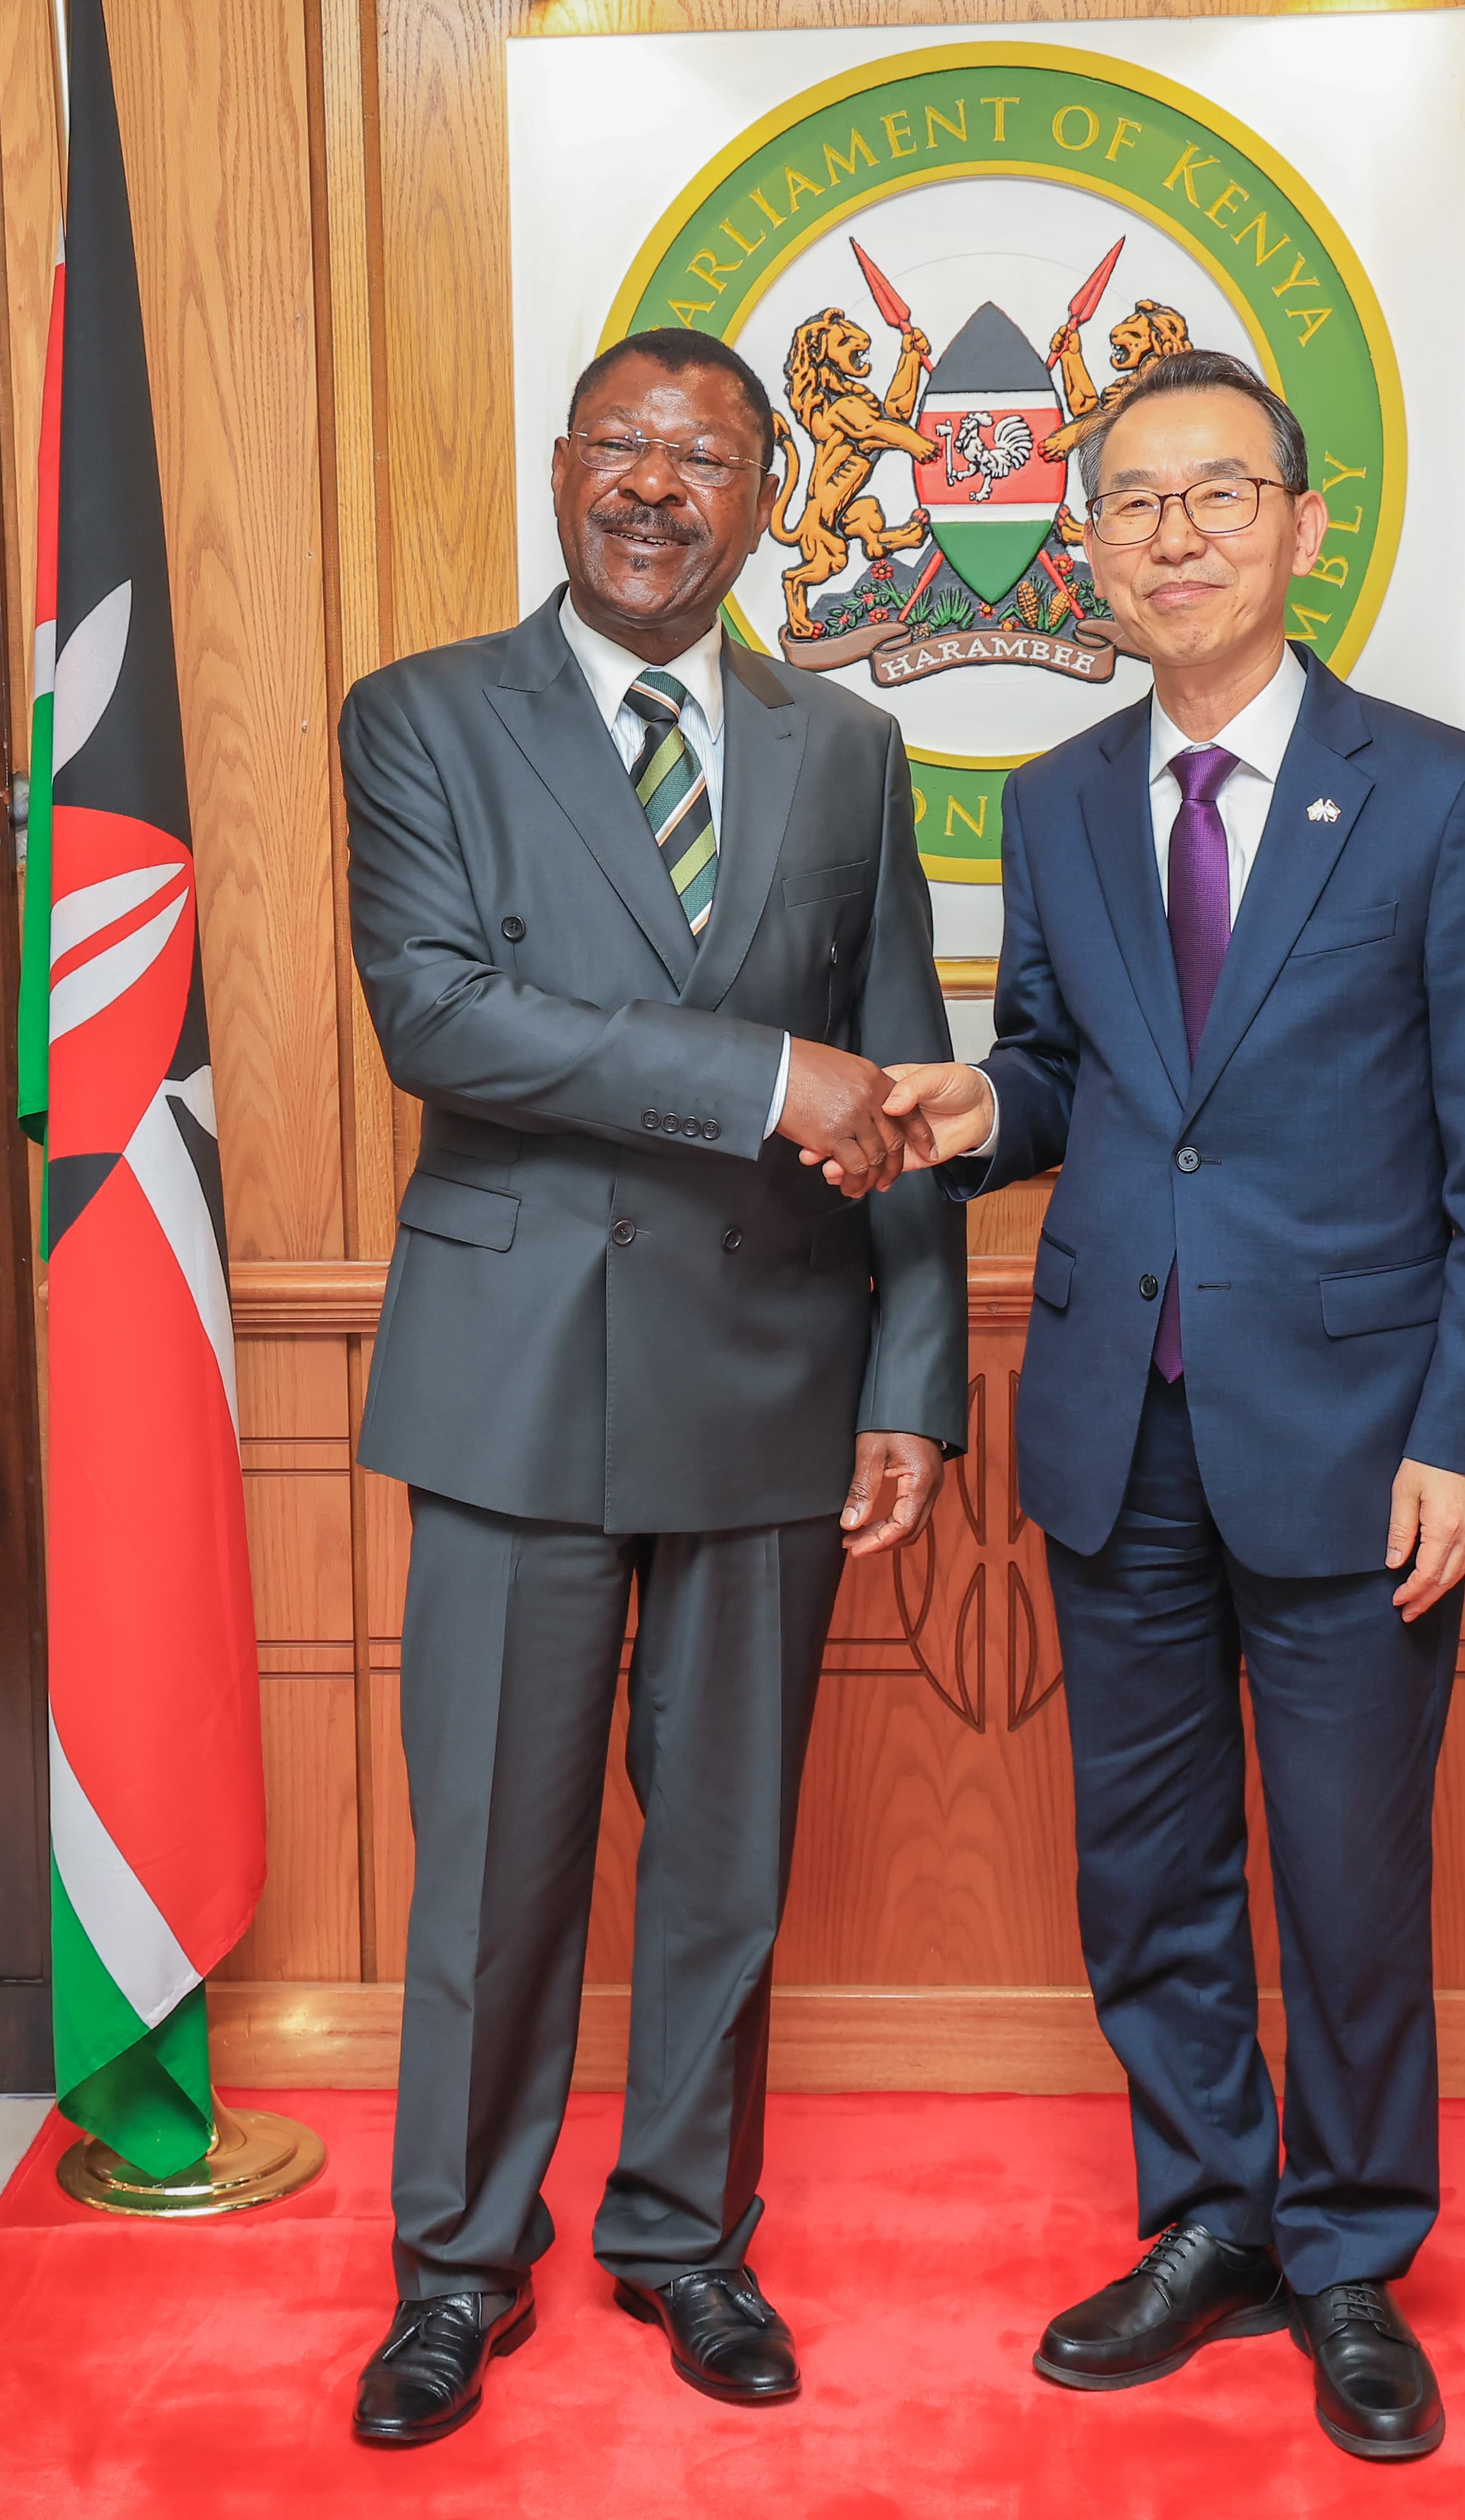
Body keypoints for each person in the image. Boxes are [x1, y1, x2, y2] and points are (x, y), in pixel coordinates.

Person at [857, 349, 1465, 2461]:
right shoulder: (1059, 799)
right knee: (1145, 1867)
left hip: (1359, 1441)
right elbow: (1068, 1072)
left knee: (1346, 1878)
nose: (1172, 535)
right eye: (1132, 503)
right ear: (1085, 547)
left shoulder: (1443, 795)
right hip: (1114, 1419)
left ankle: (1346, 2251)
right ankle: (1208, 2219)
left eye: (1216, 494)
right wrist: (978, 1105)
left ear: (1299, 525)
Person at [341, 328, 965, 2446]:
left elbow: (896, 1071)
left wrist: (913, 1377)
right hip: (512, 1376)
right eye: (620, 444)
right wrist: (760, 1074)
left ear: (766, 501)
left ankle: (688, 2233)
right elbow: (441, 1018)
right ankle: (456, 2263)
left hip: (775, 1373)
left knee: (723, 1860)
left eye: (702, 457)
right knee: (492, 1863)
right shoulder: (422, 715)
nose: (652, 484)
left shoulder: (846, 746)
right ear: (558, 469)